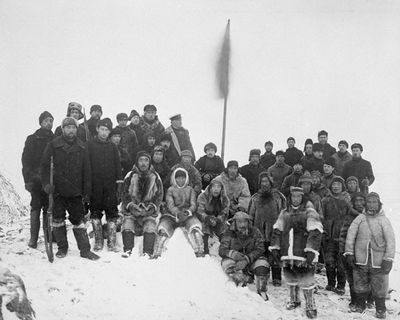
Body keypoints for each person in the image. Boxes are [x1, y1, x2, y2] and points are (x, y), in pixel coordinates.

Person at [40, 117, 99, 260]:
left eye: (73, 127)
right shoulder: (53, 145)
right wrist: (47, 184)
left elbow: (87, 170)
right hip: (58, 191)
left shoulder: (82, 147)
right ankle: (62, 248)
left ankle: (85, 250)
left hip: (75, 191)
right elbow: (44, 167)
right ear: (63, 129)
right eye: (68, 127)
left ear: (76, 129)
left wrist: (87, 190)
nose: (71, 130)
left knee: (79, 221)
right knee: (58, 220)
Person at [269, 187, 323, 318]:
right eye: (293, 196)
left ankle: (310, 305)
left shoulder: (309, 211)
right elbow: (277, 230)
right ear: (290, 197)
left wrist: (311, 250)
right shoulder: (284, 212)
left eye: (299, 196)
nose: (296, 199)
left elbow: (315, 231)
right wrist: (275, 247)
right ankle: (294, 300)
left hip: (303, 252)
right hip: (287, 251)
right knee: (291, 276)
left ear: (302, 197)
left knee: (306, 279)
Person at [345, 192, 395, 319]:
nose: (372, 205)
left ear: (379, 204)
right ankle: (361, 305)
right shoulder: (360, 218)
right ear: (365, 204)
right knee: (360, 282)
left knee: (379, 284)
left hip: (378, 260)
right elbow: (350, 236)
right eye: (369, 202)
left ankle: (380, 309)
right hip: (361, 258)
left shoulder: (383, 220)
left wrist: (388, 259)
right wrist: (349, 253)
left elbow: (390, 240)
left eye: (374, 202)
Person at [87, 118, 122, 252]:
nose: (104, 132)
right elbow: (87, 166)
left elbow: (118, 166)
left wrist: (119, 184)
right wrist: (88, 185)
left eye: (107, 130)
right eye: (102, 129)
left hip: (110, 185)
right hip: (95, 185)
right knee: (95, 212)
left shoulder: (112, 146)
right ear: (97, 129)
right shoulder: (90, 145)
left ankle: (112, 242)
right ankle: (99, 241)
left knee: (112, 212)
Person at [120, 151, 164, 257]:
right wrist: (130, 206)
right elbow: (123, 193)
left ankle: (147, 252)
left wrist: (152, 208)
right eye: (141, 160)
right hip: (132, 209)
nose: (143, 163)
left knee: (150, 226)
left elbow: (159, 195)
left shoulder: (155, 176)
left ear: (149, 162)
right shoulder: (130, 175)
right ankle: (127, 250)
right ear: (137, 161)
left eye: (146, 160)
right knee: (128, 223)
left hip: (148, 210)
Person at [153, 168, 204, 258]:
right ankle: (158, 250)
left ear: (186, 178)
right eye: (178, 178)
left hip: (187, 214)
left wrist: (187, 212)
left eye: (183, 178)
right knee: (163, 228)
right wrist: (177, 213)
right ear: (174, 179)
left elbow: (193, 204)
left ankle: (199, 249)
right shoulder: (170, 190)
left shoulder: (190, 190)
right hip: (172, 215)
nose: (181, 180)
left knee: (195, 228)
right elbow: (170, 205)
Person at [219, 211, 270, 300]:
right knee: (227, 264)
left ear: (248, 222)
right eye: (239, 222)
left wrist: (247, 259)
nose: (242, 224)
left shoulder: (255, 232)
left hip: (251, 260)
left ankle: (262, 290)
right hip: (235, 261)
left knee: (263, 265)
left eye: (244, 221)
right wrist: (232, 253)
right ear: (234, 223)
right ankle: (238, 285)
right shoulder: (228, 233)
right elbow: (222, 250)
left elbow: (260, 248)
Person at [22, 111, 54, 248]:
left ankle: (48, 236)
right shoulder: (32, 139)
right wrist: (27, 180)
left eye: (51, 121)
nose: (49, 123)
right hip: (35, 179)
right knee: (35, 207)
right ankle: (33, 238)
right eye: (46, 120)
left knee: (48, 208)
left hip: (49, 180)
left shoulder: (55, 139)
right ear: (40, 122)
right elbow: (26, 161)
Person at [249, 172, 286, 286]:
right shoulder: (255, 198)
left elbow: (283, 213)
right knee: (260, 253)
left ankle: (276, 277)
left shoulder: (278, 197)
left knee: (275, 254)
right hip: (259, 230)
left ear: (271, 182)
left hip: (274, 231)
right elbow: (250, 214)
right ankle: (262, 274)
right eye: (262, 181)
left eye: (266, 181)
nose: (264, 184)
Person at [321, 176, 351, 295]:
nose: (335, 186)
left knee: (341, 262)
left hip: (343, 236)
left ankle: (341, 285)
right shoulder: (325, 200)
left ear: (342, 186)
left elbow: (351, 217)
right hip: (329, 235)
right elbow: (321, 216)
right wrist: (323, 231)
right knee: (329, 261)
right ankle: (331, 283)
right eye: (334, 184)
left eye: (338, 184)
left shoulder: (347, 201)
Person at [338, 192, 366, 311]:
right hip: (351, 252)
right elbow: (343, 234)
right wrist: (343, 252)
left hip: (366, 253)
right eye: (356, 201)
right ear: (353, 203)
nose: (359, 203)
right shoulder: (350, 217)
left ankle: (364, 301)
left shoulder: (370, 216)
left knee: (364, 278)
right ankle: (354, 300)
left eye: (361, 200)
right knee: (352, 276)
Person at [196, 179, 230, 254]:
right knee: (204, 227)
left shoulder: (225, 199)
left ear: (221, 189)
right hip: (206, 219)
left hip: (218, 219)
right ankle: (204, 247)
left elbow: (225, 211)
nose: (216, 189)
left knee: (225, 229)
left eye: (218, 187)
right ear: (210, 188)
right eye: (214, 187)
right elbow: (200, 210)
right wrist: (207, 218)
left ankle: (224, 248)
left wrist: (218, 219)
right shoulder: (203, 196)